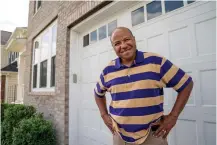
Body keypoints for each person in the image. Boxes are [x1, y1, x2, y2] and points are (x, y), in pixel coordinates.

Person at [94, 27, 193, 145]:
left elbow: (186, 83)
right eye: (117, 43)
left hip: (152, 135)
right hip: (119, 135)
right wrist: (104, 115)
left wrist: (173, 116)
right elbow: (98, 93)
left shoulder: (156, 62)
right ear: (113, 48)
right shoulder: (108, 70)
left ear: (134, 40)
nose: (123, 45)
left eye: (126, 39)